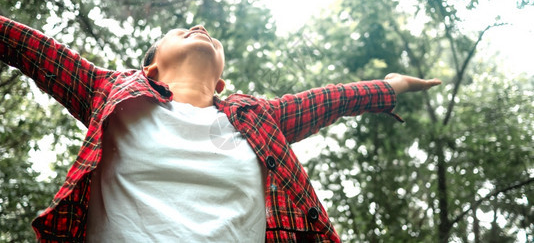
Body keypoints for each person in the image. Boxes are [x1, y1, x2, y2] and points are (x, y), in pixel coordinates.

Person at [0, 15, 441, 242]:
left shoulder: (257, 118)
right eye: (181, 30)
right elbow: (30, 48)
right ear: (150, 67)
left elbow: (331, 100)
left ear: (222, 82)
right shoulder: (112, 93)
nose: (200, 28)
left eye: (209, 34)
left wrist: (389, 86)